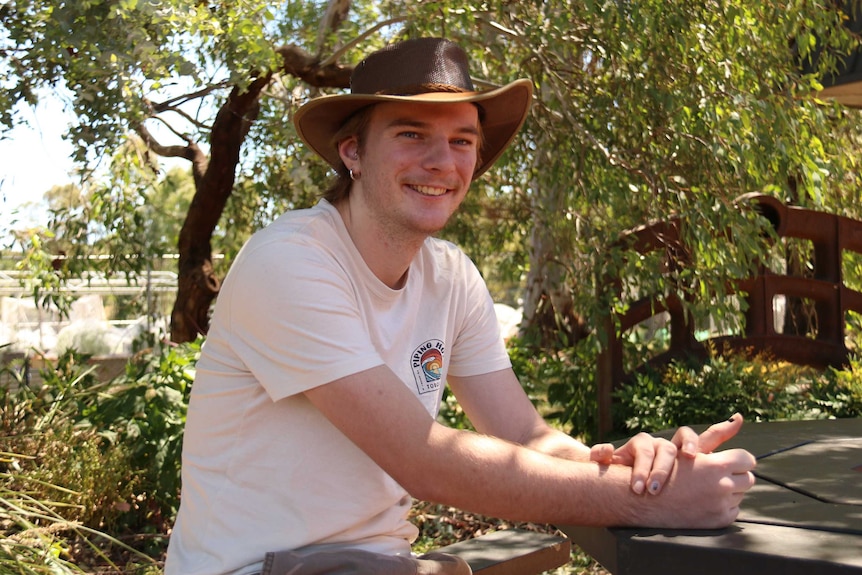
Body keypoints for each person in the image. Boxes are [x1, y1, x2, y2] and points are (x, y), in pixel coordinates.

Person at [164, 37, 756, 575]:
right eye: (411, 134)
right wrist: (646, 503)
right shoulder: (289, 263)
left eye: (462, 141)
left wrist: (627, 468)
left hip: (382, 565)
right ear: (353, 152)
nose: (442, 162)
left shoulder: (450, 277)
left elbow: (525, 434)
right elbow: (424, 461)